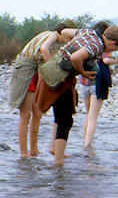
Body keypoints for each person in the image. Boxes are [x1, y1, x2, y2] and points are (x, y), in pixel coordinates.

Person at [36, 25, 118, 165]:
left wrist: (69, 47)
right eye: (116, 48)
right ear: (112, 42)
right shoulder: (97, 46)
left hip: (50, 70)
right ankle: (58, 162)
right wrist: (83, 72)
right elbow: (76, 57)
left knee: (60, 118)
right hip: (61, 79)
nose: (115, 51)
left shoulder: (88, 32)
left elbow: (64, 32)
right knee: (65, 121)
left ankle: (56, 157)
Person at [8, 19, 77, 158]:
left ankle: (34, 150)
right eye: (68, 38)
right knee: (25, 115)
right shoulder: (52, 35)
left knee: (37, 113)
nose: (67, 41)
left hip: (35, 70)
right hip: (25, 68)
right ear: (63, 31)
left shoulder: (56, 41)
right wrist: (52, 65)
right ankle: (23, 153)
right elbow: (44, 48)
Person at [81, 50, 118, 147]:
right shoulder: (103, 48)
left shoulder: (87, 48)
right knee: (93, 117)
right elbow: (106, 60)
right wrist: (115, 60)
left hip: (84, 82)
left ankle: (85, 142)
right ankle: (87, 145)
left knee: (88, 114)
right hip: (97, 83)